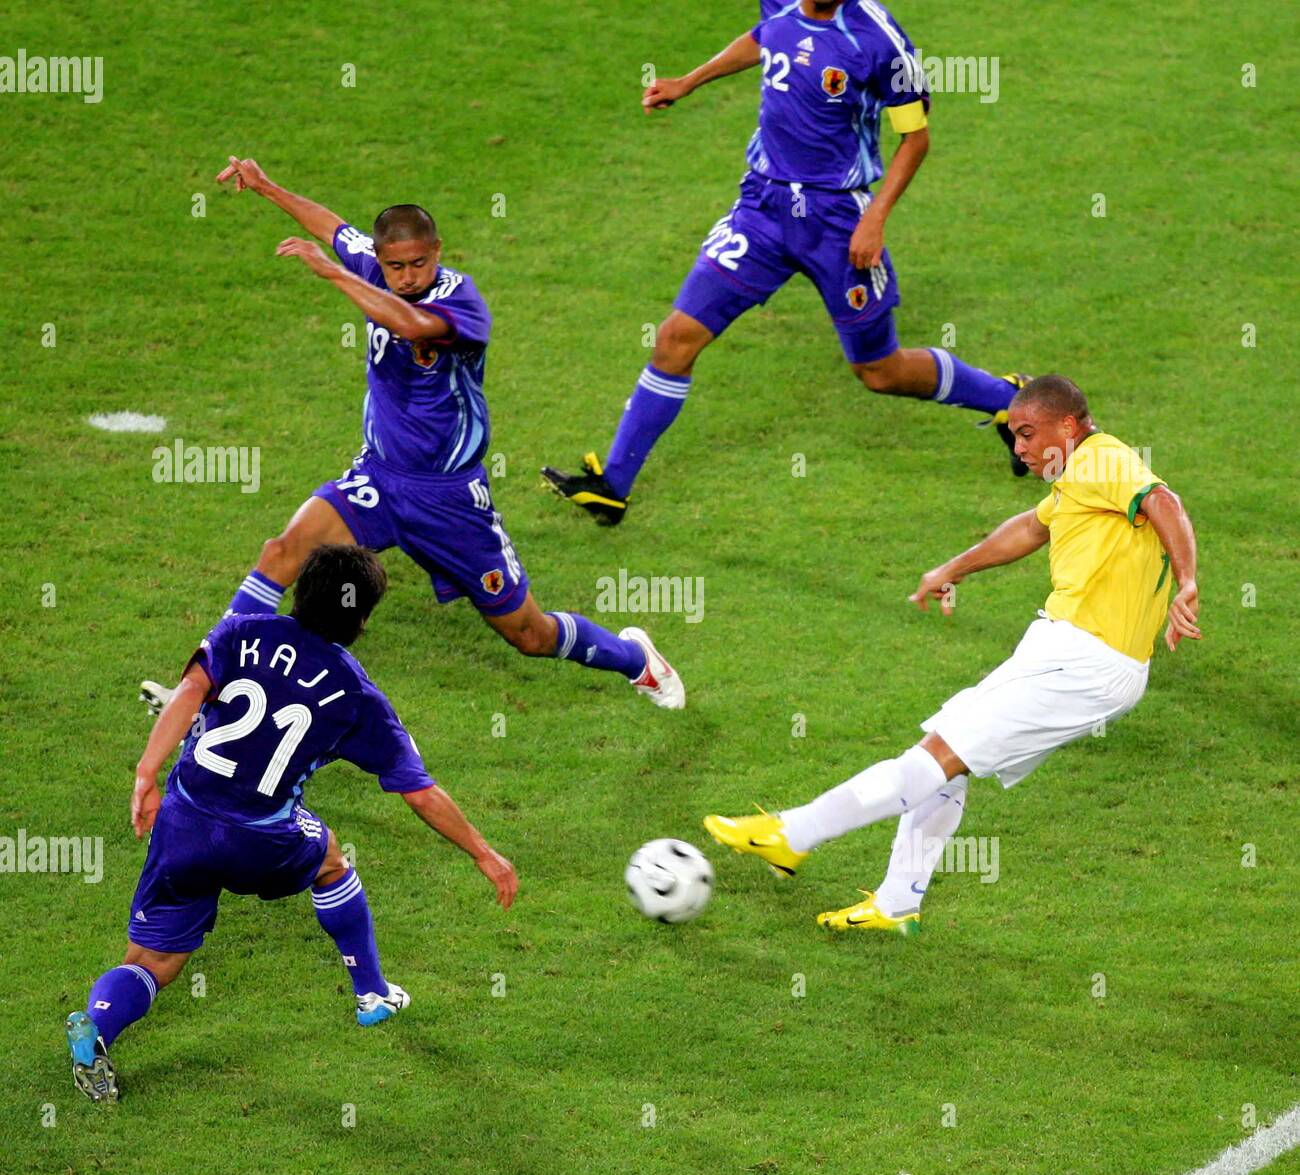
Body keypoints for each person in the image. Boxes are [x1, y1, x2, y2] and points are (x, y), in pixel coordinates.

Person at [141, 156, 683, 716]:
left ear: (438, 251)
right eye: (395, 266)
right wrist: (265, 186)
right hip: (378, 477)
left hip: (449, 498)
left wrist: (334, 274)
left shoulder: (460, 300)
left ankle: (633, 658)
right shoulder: (372, 268)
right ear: (381, 260)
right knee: (283, 551)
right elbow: (331, 226)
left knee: (529, 635)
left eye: (418, 264)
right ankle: (199, 689)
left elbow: (413, 325)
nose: (407, 276)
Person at [703, 375, 1200, 933]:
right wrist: (952, 568)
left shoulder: (1104, 460)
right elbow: (1033, 528)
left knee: (936, 756)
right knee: (941, 754)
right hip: (1068, 648)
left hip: (1088, 658)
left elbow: (1163, 500)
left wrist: (1186, 582)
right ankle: (895, 904)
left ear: (1067, 424)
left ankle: (792, 834)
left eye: (1028, 434)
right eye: (1014, 437)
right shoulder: (1077, 478)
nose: (1019, 449)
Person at [543, 0, 1031, 527]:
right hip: (762, 210)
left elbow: (915, 138)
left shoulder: (880, 40)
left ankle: (1009, 398)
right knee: (674, 338)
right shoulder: (781, 6)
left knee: (879, 371)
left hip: (838, 219)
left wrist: (876, 220)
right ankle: (613, 484)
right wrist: (692, 80)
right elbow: (765, 37)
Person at [69, 545, 517, 1103]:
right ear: (360, 619)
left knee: (152, 960)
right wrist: (482, 852)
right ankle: (372, 996)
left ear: (299, 592)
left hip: (183, 822)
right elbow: (419, 792)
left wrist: (146, 771)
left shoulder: (240, 631)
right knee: (330, 855)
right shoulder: (356, 694)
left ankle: (98, 1025)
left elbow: (188, 692)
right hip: (261, 838)